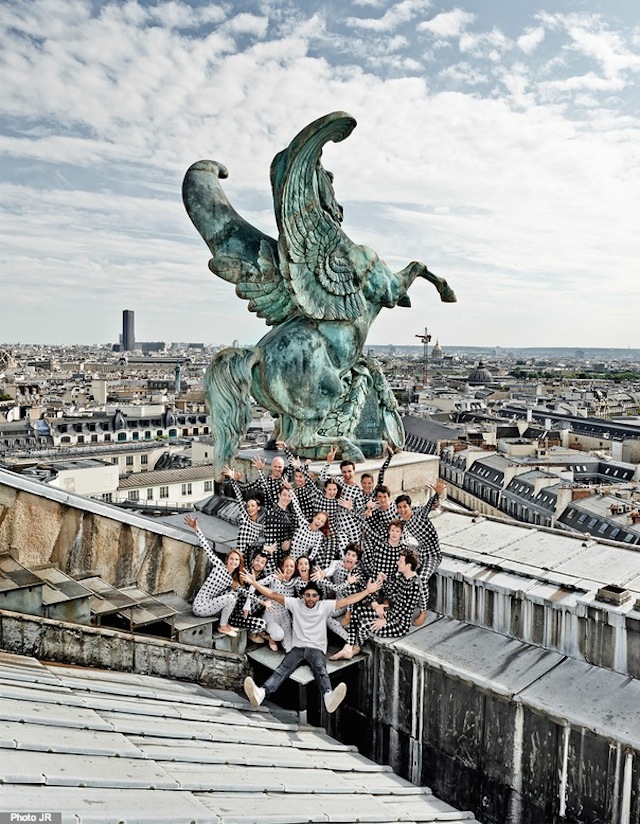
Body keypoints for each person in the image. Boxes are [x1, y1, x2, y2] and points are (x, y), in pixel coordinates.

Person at [242, 576, 383, 713]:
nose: (310, 598)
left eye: (314, 596)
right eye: (307, 595)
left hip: (316, 649)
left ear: (318, 597)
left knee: (321, 671)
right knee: (282, 670)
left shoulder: (324, 606)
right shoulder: (296, 603)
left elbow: (346, 600)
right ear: (303, 596)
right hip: (297, 648)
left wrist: (367, 591)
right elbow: (273, 595)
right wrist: (254, 583)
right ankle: (261, 693)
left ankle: (328, 696)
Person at [330, 549, 425, 660]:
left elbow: (405, 611)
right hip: (390, 614)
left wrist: (386, 620)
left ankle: (354, 648)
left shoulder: (415, 585)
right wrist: (383, 581)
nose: (397, 563)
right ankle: (348, 646)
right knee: (358, 611)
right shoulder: (402, 577)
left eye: (400, 561)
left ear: (408, 565)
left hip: (399, 624)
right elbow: (392, 595)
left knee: (365, 624)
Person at [184, 515, 244, 637]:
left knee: (234, 594)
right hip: (200, 607)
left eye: (236, 560)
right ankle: (222, 627)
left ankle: (225, 623)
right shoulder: (219, 566)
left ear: (239, 563)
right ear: (227, 560)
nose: (233, 562)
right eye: (231, 559)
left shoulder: (231, 579)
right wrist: (197, 529)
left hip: (209, 604)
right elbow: (207, 548)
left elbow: (244, 591)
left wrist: (263, 602)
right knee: (231, 598)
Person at [395, 479, 446, 589]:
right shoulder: (403, 520)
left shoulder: (419, 515)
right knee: (401, 574)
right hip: (420, 552)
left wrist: (437, 493)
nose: (402, 510)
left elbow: (428, 505)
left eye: (404, 507)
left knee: (422, 579)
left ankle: (422, 605)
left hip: (433, 554)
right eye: (399, 507)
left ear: (409, 507)